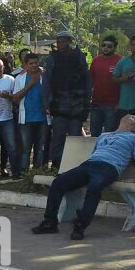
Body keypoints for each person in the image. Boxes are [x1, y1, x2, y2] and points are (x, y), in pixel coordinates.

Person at [32, 115, 135, 240]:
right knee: (58, 182)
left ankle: (80, 226)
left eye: (134, 118)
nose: (129, 116)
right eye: (128, 115)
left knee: (94, 188)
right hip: (89, 165)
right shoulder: (104, 135)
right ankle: (50, 222)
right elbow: (95, 154)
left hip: (109, 168)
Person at [42, 30, 91, 168]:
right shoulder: (52, 59)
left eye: (63, 41)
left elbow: (86, 80)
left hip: (77, 103)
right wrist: (46, 102)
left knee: (75, 137)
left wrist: (87, 102)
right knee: (58, 136)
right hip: (58, 103)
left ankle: (74, 165)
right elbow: (47, 81)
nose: (60, 44)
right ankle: (57, 165)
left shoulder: (79, 57)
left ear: (69, 42)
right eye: (58, 42)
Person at [12, 53, 46, 175]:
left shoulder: (45, 75)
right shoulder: (20, 78)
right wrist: (31, 84)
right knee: (26, 149)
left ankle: (38, 173)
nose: (34, 65)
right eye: (31, 63)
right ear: (25, 65)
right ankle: (24, 174)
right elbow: (15, 98)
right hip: (26, 118)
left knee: (40, 148)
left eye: (36, 63)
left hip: (43, 118)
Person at [89, 35, 122, 136]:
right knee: (94, 133)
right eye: (103, 45)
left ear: (115, 48)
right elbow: (90, 80)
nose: (106, 48)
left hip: (113, 104)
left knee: (110, 134)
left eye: (109, 46)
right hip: (96, 103)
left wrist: (120, 103)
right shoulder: (96, 61)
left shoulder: (121, 60)